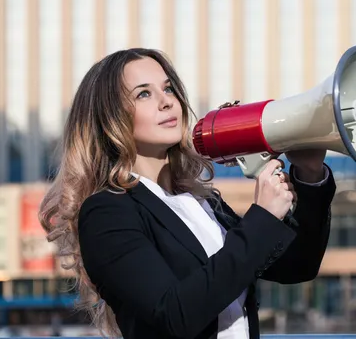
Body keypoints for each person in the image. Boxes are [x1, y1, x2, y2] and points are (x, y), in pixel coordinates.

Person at [39, 48, 336, 339]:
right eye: (144, 94)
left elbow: (298, 266)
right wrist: (262, 218)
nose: (166, 101)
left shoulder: (204, 202)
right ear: (109, 120)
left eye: (168, 89)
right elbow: (174, 314)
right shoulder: (107, 212)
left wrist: (310, 177)